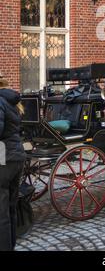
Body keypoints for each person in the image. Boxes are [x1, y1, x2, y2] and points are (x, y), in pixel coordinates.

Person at [0, 72, 26, 251]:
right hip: (16, 156)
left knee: (1, 211)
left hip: (4, 158)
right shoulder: (12, 101)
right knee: (10, 206)